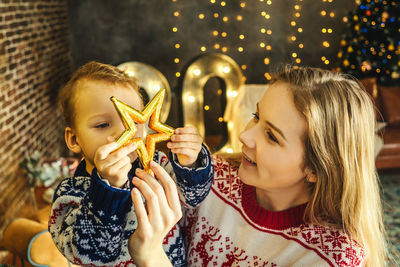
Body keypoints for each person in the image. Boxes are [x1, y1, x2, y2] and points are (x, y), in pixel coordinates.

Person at [131, 65, 388, 266]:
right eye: (256, 116)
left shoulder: (332, 256)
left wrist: (151, 257)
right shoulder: (207, 177)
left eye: (272, 136)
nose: (245, 136)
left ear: (316, 168)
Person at [49, 61, 214, 267]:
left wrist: (191, 161)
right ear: (74, 140)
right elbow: (87, 254)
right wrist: (109, 189)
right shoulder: (70, 193)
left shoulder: (158, 165)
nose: (124, 134)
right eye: (102, 125)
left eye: (134, 121)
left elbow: (194, 196)